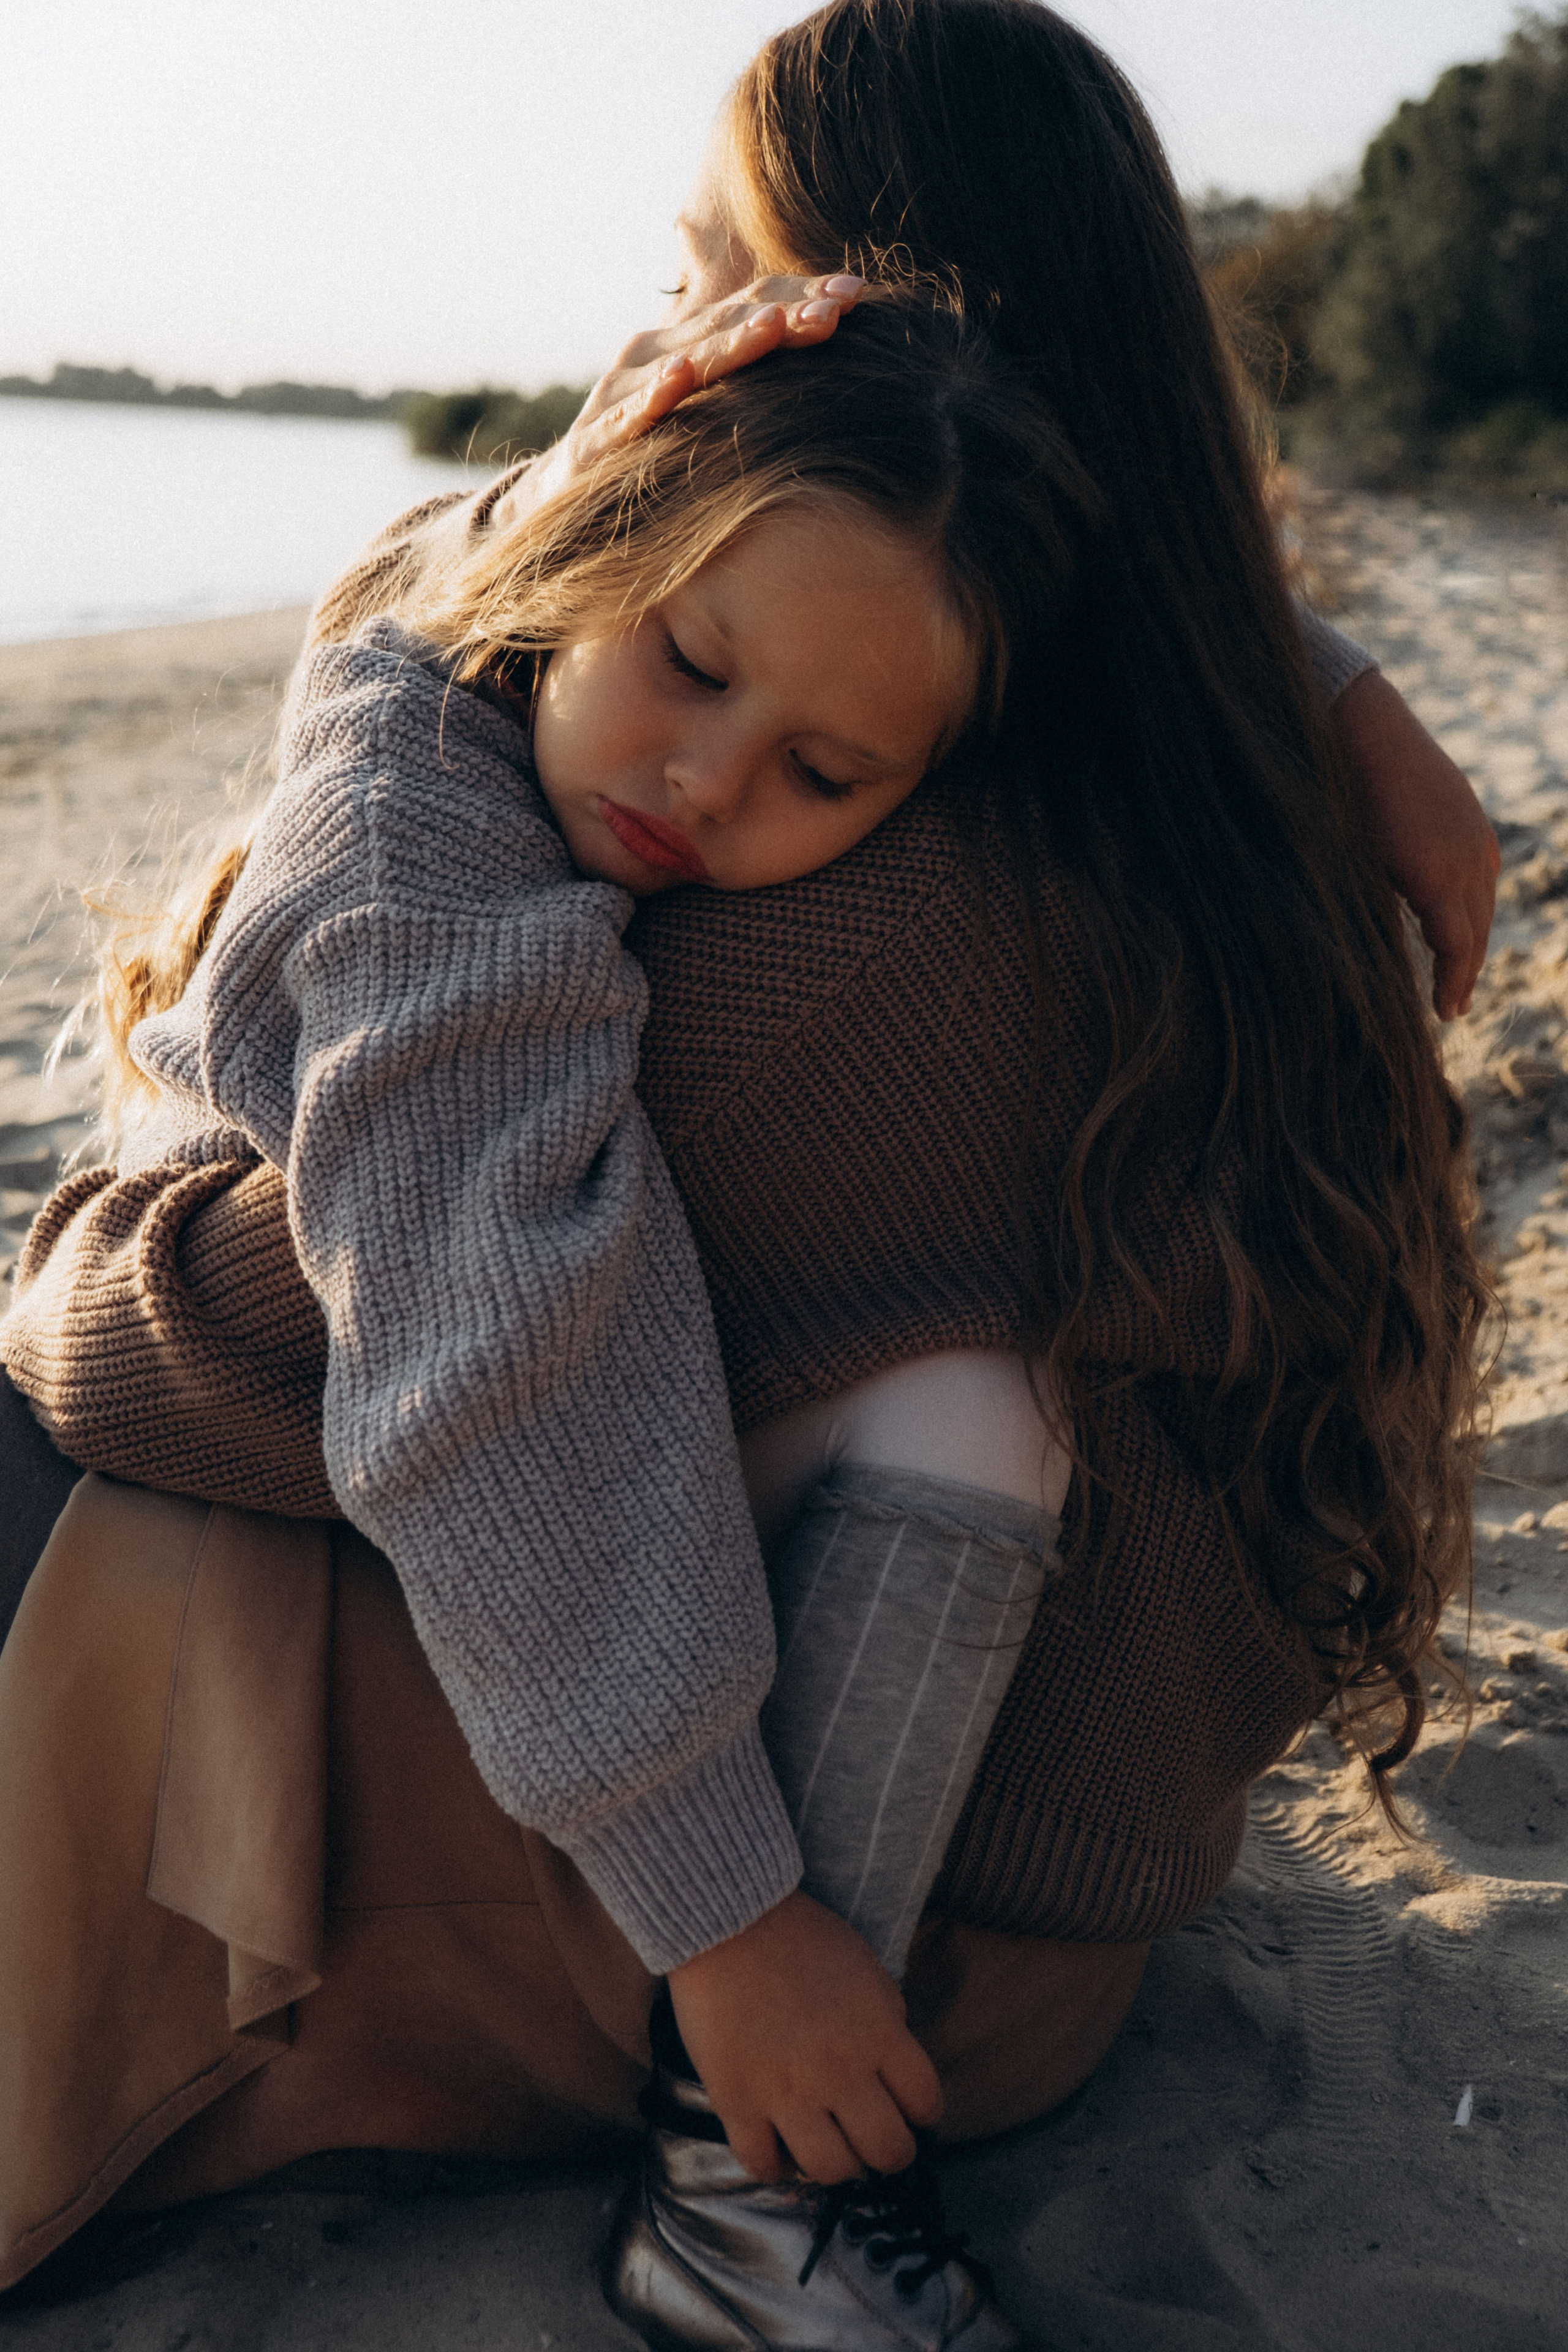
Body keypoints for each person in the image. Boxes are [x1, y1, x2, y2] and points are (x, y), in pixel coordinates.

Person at [0, 4, 1490, 2345]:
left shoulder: (845, 933)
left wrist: (95, 1262)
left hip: (755, 1958)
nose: (655, 353)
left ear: (885, 341)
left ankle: (714, 2193)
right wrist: (1317, 674)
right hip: (998, 1925)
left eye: (717, 284)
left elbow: (291, 1352)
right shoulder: (1112, 791)